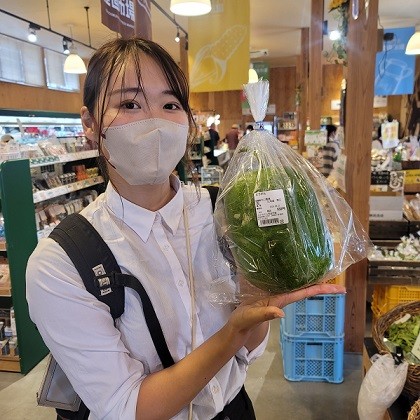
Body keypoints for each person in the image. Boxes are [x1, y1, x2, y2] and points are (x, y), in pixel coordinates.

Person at [26, 37, 345, 420]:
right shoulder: (60, 263)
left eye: (170, 105)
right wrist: (233, 332)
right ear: (90, 124)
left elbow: (250, 348)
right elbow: (126, 407)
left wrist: (256, 303)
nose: (155, 122)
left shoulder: (224, 210)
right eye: (130, 104)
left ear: (188, 123)